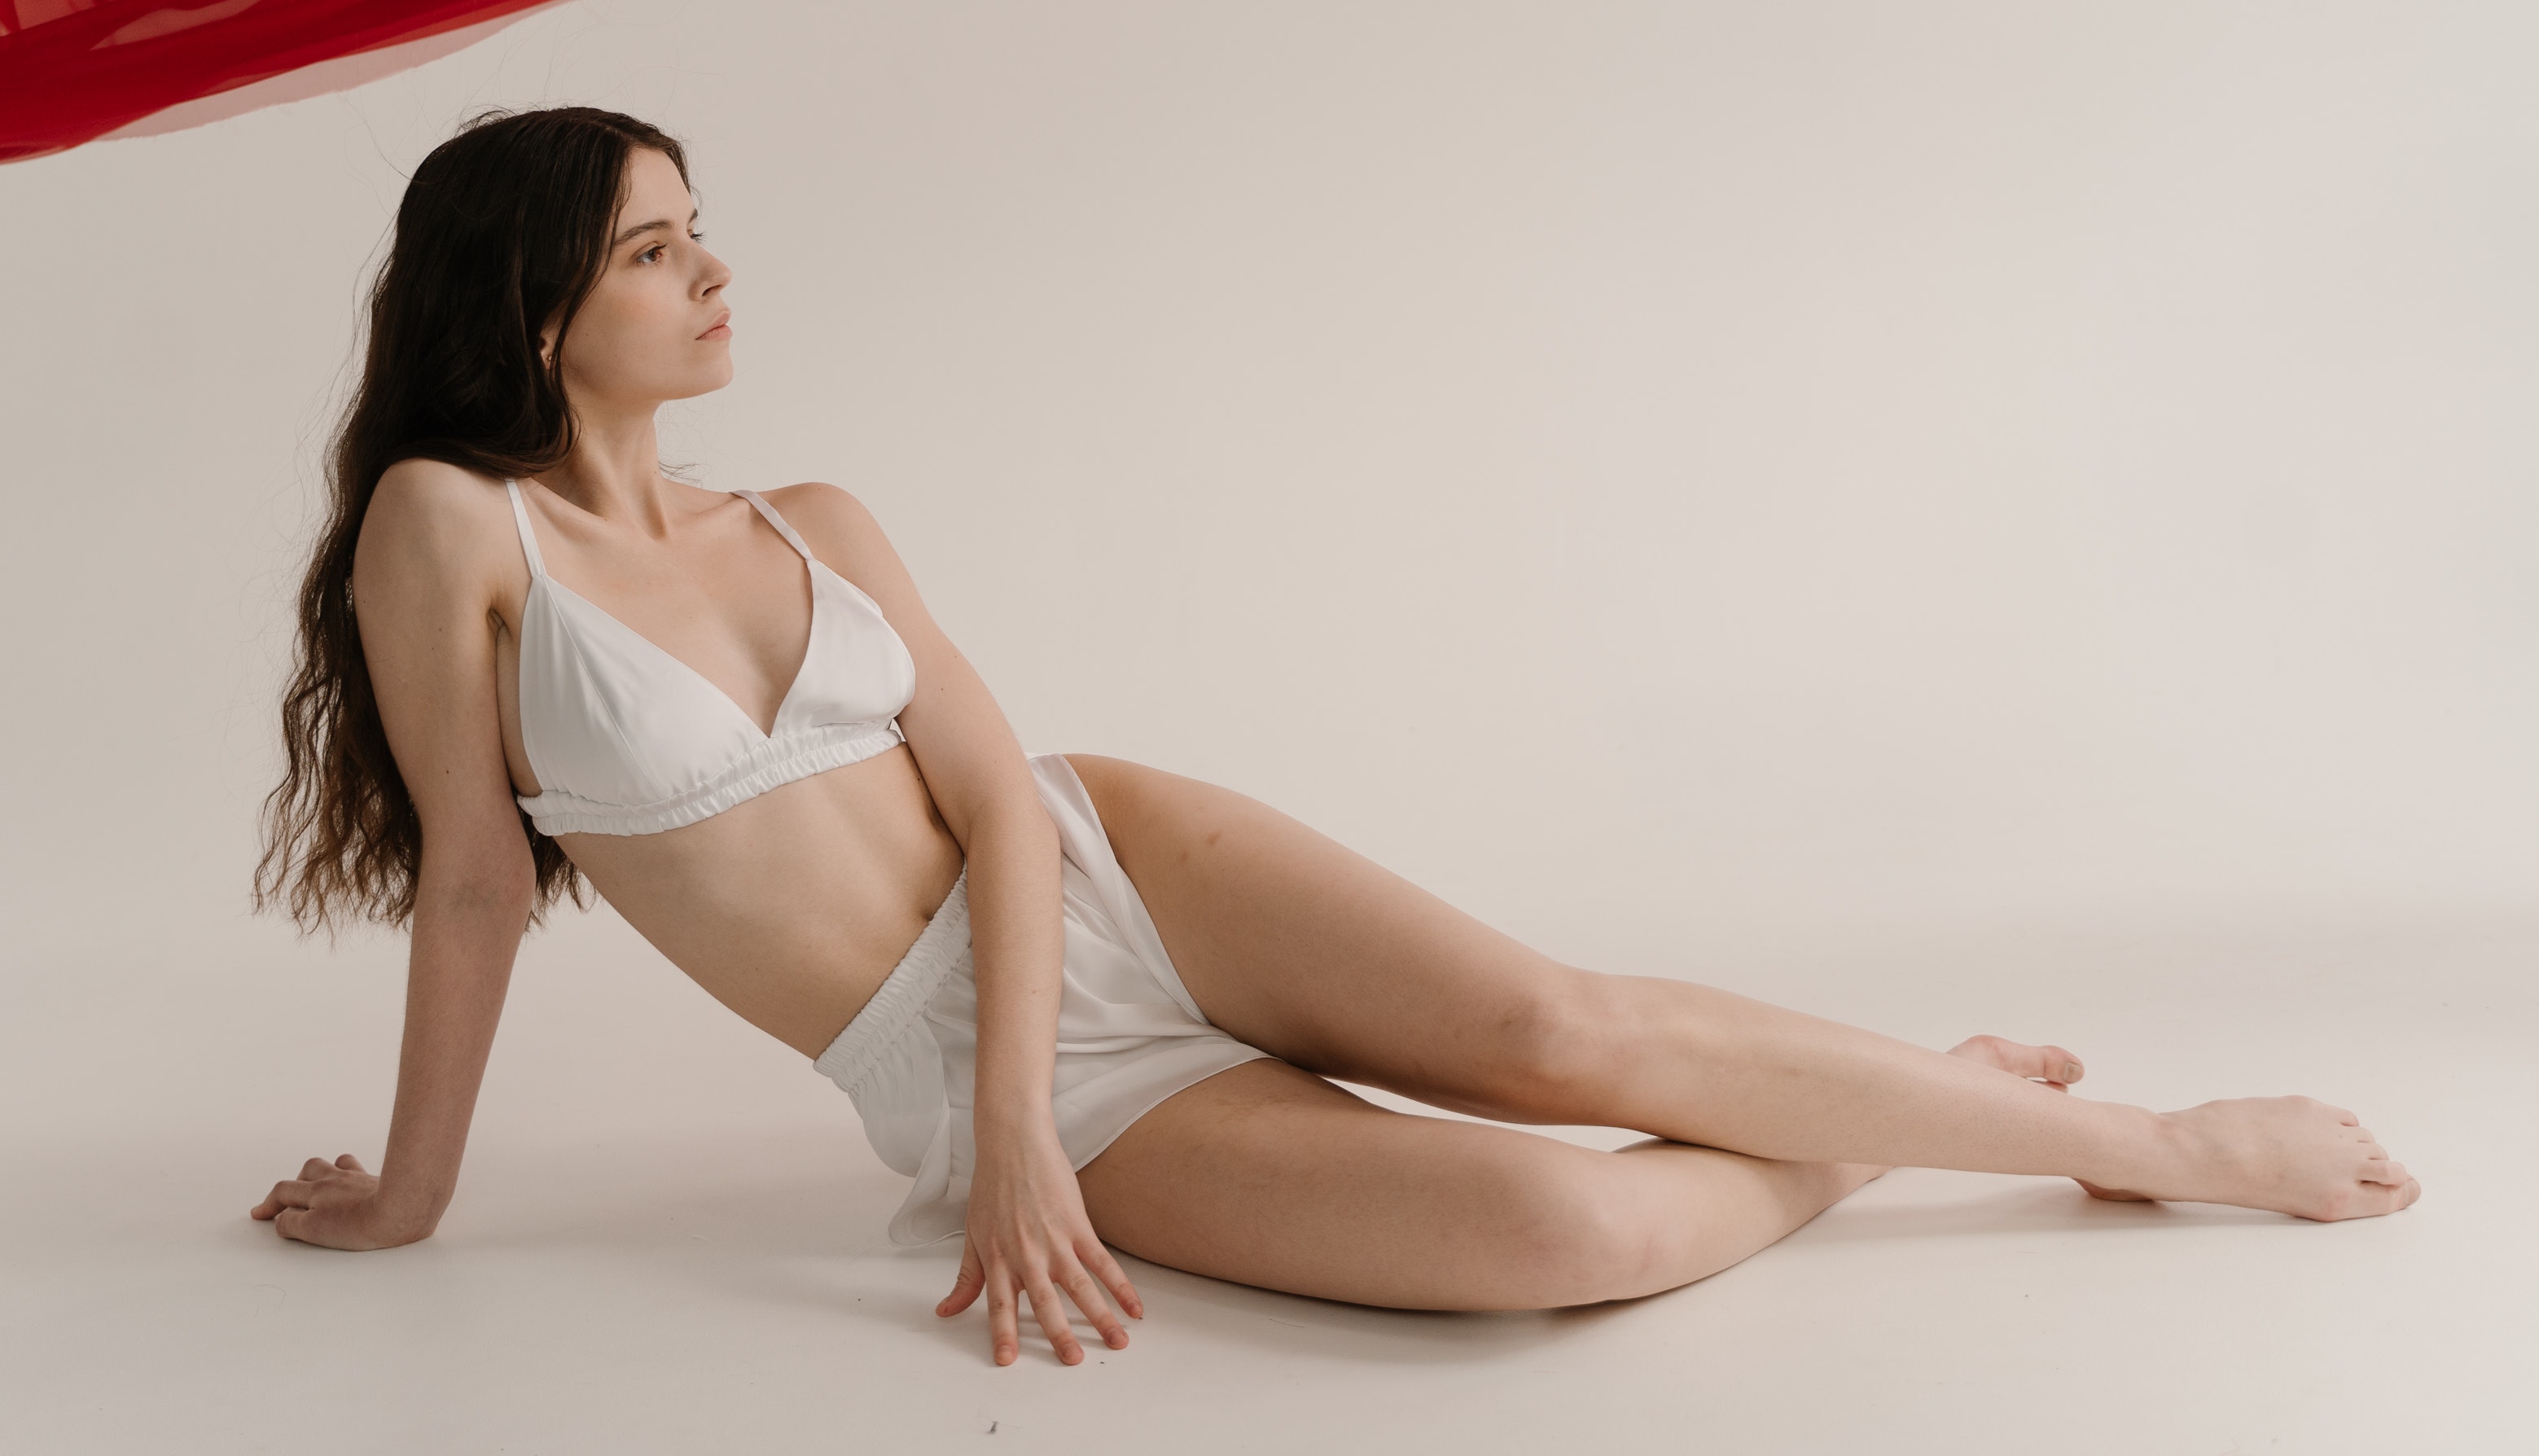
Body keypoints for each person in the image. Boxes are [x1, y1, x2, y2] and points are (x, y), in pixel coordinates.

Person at [248, 106, 2421, 1368]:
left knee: (1563, 1029)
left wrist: (1016, 1126)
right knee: (1551, 1251)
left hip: (1104, 865)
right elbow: (467, 876)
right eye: (654, 249)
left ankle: (2159, 1146)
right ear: (530, 303)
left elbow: (999, 797)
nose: (714, 273)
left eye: (703, 230)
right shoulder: (451, 530)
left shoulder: (807, 516)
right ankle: (1895, 1113)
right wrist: (415, 1200)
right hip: (949, 1055)